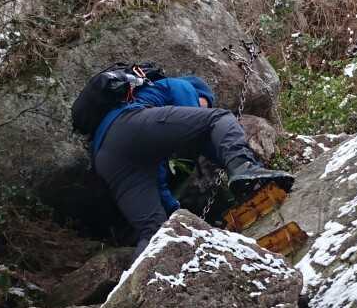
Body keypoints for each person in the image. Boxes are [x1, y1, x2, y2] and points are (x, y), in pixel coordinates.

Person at [73, 62, 293, 253]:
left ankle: (141, 280)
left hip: (105, 157)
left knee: (155, 231)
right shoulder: (180, 85)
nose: (204, 106)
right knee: (219, 118)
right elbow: (199, 128)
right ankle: (244, 167)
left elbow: (156, 174)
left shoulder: (149, 119)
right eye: (205, 102)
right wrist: (226, 157)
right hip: (128, 125)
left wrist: (175, 211)